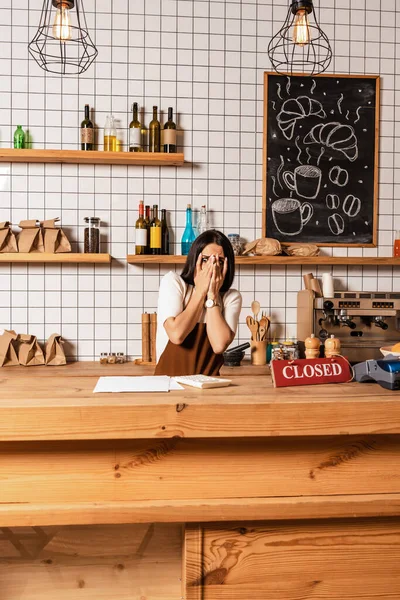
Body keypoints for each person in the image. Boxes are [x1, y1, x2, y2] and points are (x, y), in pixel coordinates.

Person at [155, 230, 242, 376]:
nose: (212, 267)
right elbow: (176, 334)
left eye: (219, 261)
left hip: (209, 388)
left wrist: (212, 295)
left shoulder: (231, 297)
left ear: (227, 266)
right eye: (205, 259)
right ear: (194, 259)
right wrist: (200, 291)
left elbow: (219, 345)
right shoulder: (174, 282)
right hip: (169, 385)